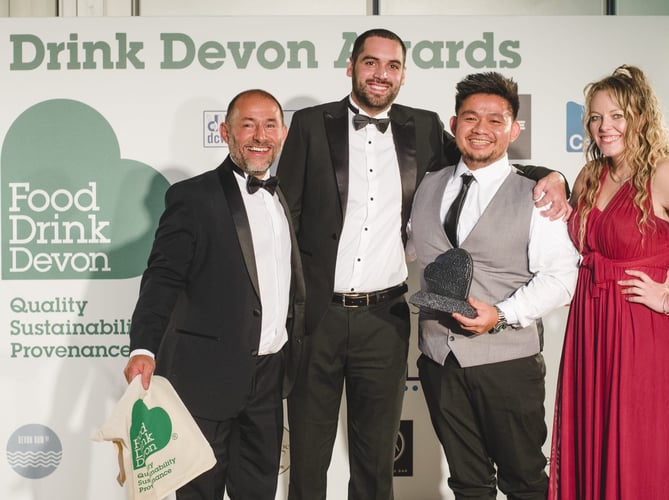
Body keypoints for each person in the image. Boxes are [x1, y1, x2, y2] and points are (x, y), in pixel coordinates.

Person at [276, 27, 569, 500]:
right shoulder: (310, 124)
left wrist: (553, 175)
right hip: (318, 317)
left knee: (376, 460)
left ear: (404, 75)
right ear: (351, 67)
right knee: (308, 459)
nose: (381, 74)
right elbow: (283, 218)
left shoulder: (426, 127)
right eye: (371, 62)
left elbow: (485, 159)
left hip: (385, 319)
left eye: (392, 65)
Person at [547, 65, 669, 500]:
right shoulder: (590, 175)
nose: (605, 127)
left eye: (617, 116)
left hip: (642, 329)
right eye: (595, 118)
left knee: (639, 448)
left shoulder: (663, 174)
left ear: (640, 118)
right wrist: (554, 178)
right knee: (593, 441)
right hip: (591, 324)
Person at [123, 89, 305, 500]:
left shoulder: (283, 197)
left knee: (258, 492)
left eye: (270, 125)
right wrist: (144, 348)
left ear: (283, 133)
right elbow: (162, 277)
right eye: (247, 125)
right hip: (204, 380)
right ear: (225, 132)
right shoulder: (193, 197)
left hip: (269, 379)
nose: (260, 136)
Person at [409, 71, 579, 500]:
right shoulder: (427, 185)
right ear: (454, 124)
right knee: (467, 484)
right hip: (438, 360)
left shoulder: (537, 194)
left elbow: (561, 277)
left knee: (524, 481)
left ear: (514, 129)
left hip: (507, 364)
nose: (480, 128)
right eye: (470, 118)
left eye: (495, 120)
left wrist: (502, 315)